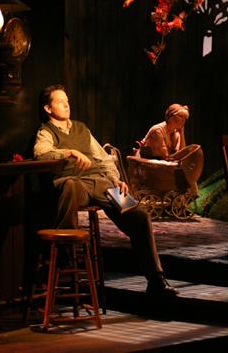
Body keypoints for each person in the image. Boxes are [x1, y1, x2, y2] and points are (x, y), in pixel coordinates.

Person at [33, 84, 177, 299]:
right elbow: (41, 154)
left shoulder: (82, 128)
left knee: (139, 215)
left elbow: (102, 158)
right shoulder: (46, 131)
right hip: (75, 183)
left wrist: (115, 179)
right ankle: (65, 254)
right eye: (60, 101)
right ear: (48, 108)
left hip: (100, 182)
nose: (66, 104)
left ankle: (156, 279)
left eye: (67, 100)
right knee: (70, 185)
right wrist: (68, 152)